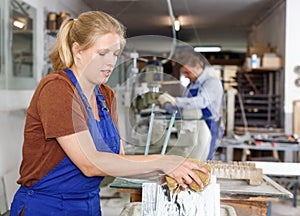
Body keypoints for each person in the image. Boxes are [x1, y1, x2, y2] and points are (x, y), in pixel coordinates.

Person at [10, 11, 209, 216]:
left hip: (89, 205)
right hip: (47, 207)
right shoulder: (57, 89)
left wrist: (170, 170)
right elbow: (90, 163)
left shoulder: (106, 95)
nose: (110, 63)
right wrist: (163, 162)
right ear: (77, 51)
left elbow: (117, 161)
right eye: (102, 53)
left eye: (115, 54)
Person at [158, 52, 224, 160]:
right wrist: (167, 105)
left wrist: (176, 101)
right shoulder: (192, 84)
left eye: (188, 73)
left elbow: (202, 102)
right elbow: (185, 107)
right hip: (193, 127)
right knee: (193, 157)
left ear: (197, 67)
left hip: (209, 125)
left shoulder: (212, 83)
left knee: (204, 159)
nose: (186, 76)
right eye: (184, 74)